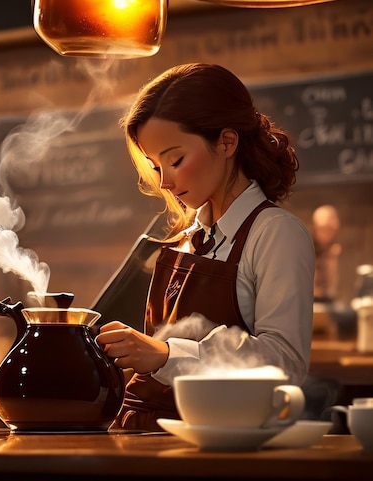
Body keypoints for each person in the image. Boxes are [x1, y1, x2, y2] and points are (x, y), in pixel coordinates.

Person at [95, 63, 315, 431]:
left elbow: (284, 365)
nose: (164, 181)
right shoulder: (187, 236)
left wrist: (166, 355)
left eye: (175, 160)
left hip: (211, 440)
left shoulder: (276, 234)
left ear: (227, 142)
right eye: (155, 165)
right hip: (135, 431)